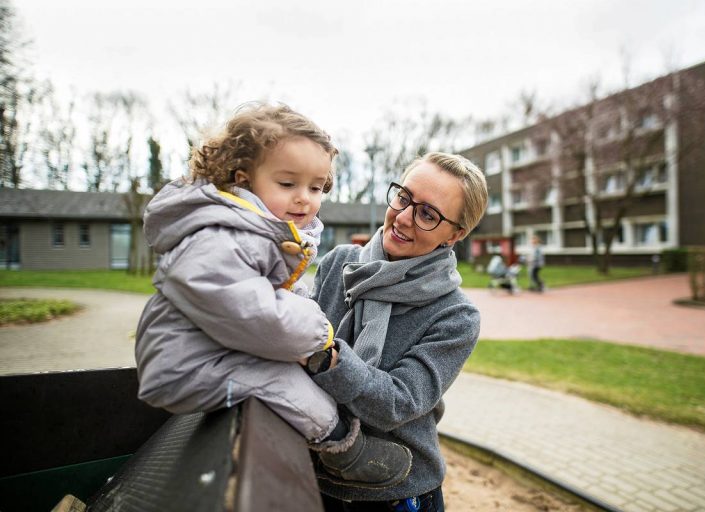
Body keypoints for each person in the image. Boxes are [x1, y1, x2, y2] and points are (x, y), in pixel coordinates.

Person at [134, 102, 411, 489]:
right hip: (188, 365)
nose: (305, 199)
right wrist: (317, 334)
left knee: (291, 374)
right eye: (287, 184)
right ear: (244, 180)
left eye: (316, 187)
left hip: (214, 353)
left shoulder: (255, 231)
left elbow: (273, 294)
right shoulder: (219, 237)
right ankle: (343, 447)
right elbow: (253, 312)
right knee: (287, 382)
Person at [306, 152, 488, 511]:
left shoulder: (456, 316)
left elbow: (397, 402)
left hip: (395, 493)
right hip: (311, 476)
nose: (403, 218)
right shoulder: (337, 264)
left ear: (456, 233)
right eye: (404, 198)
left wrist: (323, 356)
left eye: (427, 214)